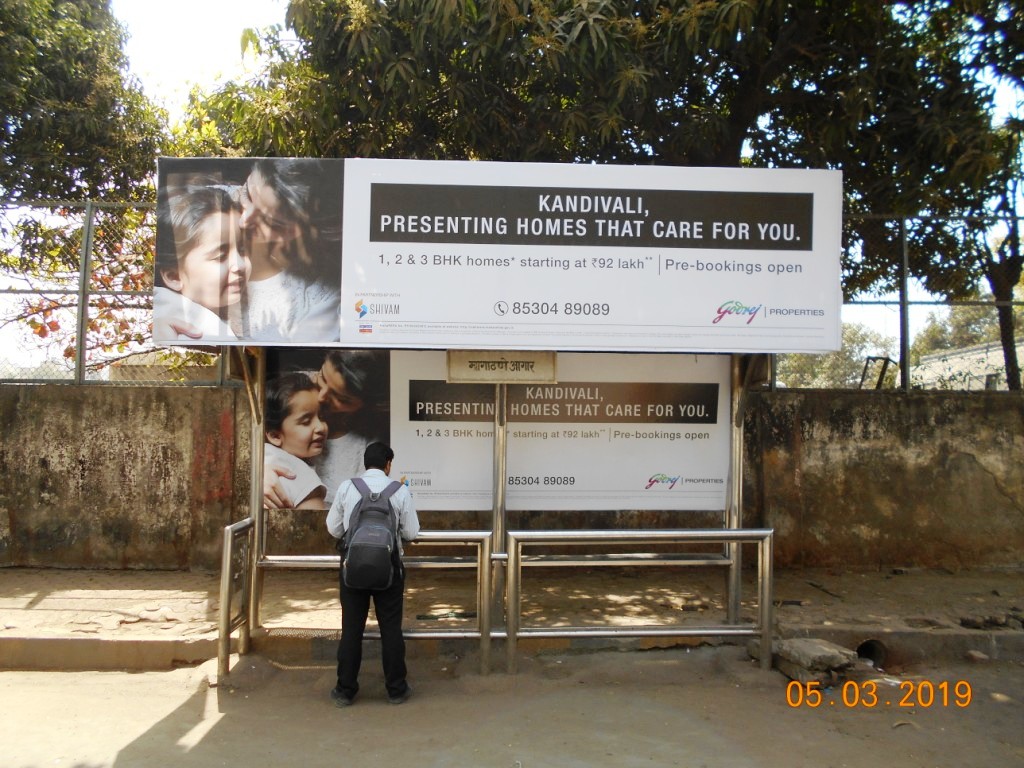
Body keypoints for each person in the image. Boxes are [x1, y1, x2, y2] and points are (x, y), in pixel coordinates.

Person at [326, 442, 419, 707]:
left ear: (365, 463)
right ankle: (396, 689)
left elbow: (333, 529)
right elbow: (411, 532)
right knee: (390, 629)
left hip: (352, 570)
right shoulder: (399, 491)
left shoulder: (347, 487)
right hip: (389, 570)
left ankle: (345, 690)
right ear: (388, 464)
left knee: (351, 629)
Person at [264, 349, 389, 507]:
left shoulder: (374, 442)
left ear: (364, 405)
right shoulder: (296, 386)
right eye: (323, 377)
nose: (322, 396)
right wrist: (258, 472)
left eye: (340, 398)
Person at [237, 159, 342, 342]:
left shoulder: (316, 303)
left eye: (270, 223)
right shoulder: (202, 198)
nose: (244, 220)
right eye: (247, 195)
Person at [153, 180, 250, 342]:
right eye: (220, 256)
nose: (240, 265)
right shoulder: (198, 330)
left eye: (242, 250)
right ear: (174, 276)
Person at [263, 372, 329, 510]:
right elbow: (315, 530)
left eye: (322, 416)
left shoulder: (258, 458)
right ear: (275, 436)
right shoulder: (303, 479)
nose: (320, 427)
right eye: (306, 421)